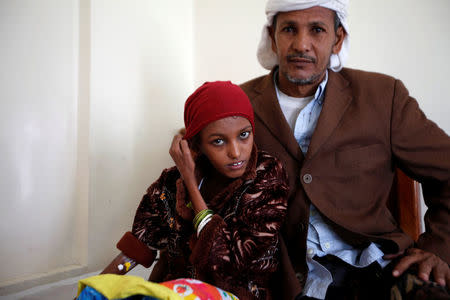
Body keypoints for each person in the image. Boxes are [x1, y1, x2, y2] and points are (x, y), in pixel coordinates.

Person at [239, 0, 450, 299]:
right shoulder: (236, 104)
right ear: (272, 35)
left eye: (317, 30)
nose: (302, 44)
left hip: (378, 270)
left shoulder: (383, 97)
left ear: (338, 38)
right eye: (289, 29)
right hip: (278, 281)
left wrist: (439, 247)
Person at [100, 81, 289, 299]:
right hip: (173, 292)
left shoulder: (268, 176)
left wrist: (191, 184)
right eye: (218, 141)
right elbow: (138, 246)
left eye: (244, 135)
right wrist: (95, 288)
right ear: (196, 144)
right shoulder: (171, 182)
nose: (236, 152)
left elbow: (228, 261)